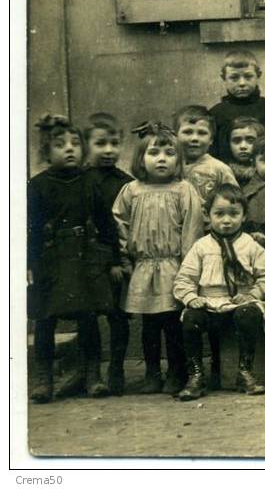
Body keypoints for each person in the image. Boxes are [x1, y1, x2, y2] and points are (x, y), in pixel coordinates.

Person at [28, 116, 117, 402]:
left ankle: (93, 374)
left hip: (85, 259)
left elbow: (107, 224)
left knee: (88, 318)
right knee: (44, 319)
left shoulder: (90, 182)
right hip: (51, 259)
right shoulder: (38, 185)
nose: (69, 149)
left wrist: (113, 259)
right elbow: (29, 228)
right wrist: (27, 265)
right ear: (45, 153)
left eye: (75, 143)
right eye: (60, 145)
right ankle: (43, 379)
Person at [112, 122, 204, 394]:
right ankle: (152, 371)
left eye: (169, 153)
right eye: (154, 153)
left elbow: (192, 227)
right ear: (141, 159)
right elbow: (120, 223)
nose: (162, 159)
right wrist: (126, 257)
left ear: (179, 159)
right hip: (144, 265)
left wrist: (189, 267)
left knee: (172, 322)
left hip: (174, 265)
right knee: (149, 324)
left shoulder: (184, 189)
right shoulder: (132, 191)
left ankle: (177, 370)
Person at [173, 184, 265, 400]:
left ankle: (244, 371)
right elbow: (184, 279)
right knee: (191, 318)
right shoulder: (201, 247)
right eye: (219, 214)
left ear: (244, 216)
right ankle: (196, 375)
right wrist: (192, 298)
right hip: (209, 303)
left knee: (249, 314)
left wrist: (252, 294)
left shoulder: (251, 246)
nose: (226, 220)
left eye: (234, 214)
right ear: (207, 216)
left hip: (241, 303)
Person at [82, 113, 134, 396]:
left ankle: (116, 368)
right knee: (88, 314)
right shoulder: (80, 180)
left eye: (114, 143)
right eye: (100, 143)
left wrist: (119, 259)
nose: (108, 150)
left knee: (118, 314)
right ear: (86, 145)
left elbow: (124, 223)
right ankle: (91, 371)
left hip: (115, 257)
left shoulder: (124, 182)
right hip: (86, 259)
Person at [208, 50, 265, 161]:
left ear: (258, 75)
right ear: (223, 78)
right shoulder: (216, 113)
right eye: (234, 78)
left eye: (248, 77)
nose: (242, 83)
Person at [174, 105, 238, 205]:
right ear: (175, 136)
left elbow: (235, 202)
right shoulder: (169, 166)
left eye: (202, 133)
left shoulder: (219, 169)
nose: (194, 138)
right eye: (187, 132)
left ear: (211, 139)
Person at [224, 117, 265, 188]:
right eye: (236, 141)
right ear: (229, 144)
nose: (243, 146)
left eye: (250, 141)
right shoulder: (222, 173)